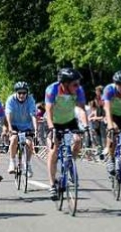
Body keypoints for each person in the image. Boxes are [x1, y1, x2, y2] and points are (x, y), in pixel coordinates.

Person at [45, 67, 89, 200]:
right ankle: (52, 184)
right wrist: (52, 128)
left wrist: (86, 126)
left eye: (78, 83)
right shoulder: (52, 89)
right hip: (54, 122)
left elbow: (81, 110)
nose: (78, 86)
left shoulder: (78, 90)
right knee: (54, 150)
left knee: (77, 141)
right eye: (74, 84)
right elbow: (49, 110)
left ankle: (70, 163)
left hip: (70, 120)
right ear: (64, 84)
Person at [5, 81, 37, 178]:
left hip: (26, 126)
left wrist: (36, 129)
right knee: (14, 139)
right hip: (14, 125)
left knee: (29, 143)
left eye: (24, 93)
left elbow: (33, 115)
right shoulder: (10, 99)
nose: (22, 95)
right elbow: (8, 115)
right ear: (16, 92)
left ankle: (27, 164)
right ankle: (12, 162)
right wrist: (10, 128)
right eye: (19, 93)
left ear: (27, 93)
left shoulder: (30, 99)